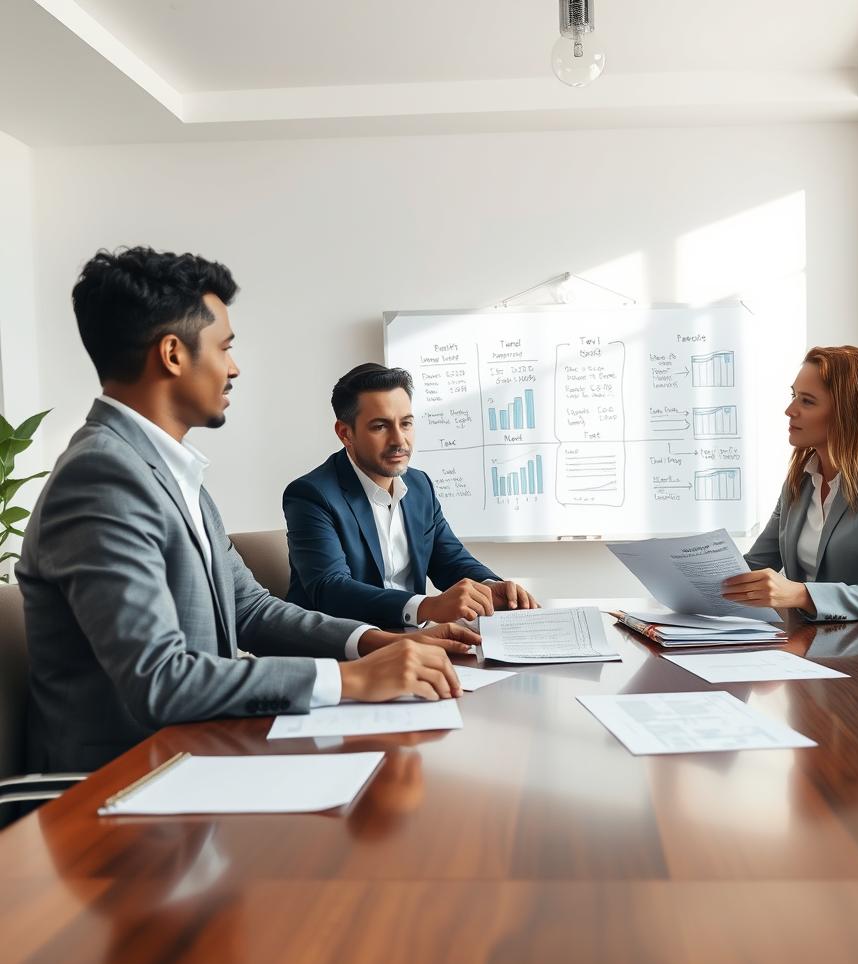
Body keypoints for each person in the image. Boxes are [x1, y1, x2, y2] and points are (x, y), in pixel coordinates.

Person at [17, 248, 475, 773]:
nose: (233, 368)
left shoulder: (170, 470)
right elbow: (160, 679)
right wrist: (353, 680)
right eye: (224, 347)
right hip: (119, 787)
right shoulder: (101, 477)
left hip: (197, 755)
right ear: (172, 354)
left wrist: (383, 643)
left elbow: (252, 609)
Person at [283, 363, 539, 628]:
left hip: (415, 637)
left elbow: (449, 560)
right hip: (346, 647)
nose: (399, 440)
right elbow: (331, 590)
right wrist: (427, 606)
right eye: (380, 426)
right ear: (345, 433)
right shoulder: (311, 495)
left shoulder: (419, 485)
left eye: (405, 424)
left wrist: (489, 587)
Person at [722, 345, 858, 627]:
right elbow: (758, 563)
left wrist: (800, 594)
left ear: (849, 412)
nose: (789, 410)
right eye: (793, 396)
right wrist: (691, 574)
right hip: (819, 641)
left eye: (807, 401)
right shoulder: (802, 476)